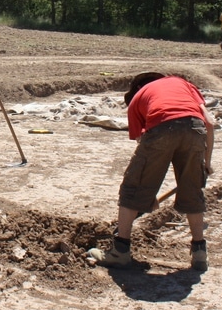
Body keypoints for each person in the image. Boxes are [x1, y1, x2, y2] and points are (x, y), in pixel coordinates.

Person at [91, 72, 214, 271]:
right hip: (195, 128)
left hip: (161, 129)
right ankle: (199, 254)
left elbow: (146, 152)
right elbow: (209, 122)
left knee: (133, 187)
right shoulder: (182, 84)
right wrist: (206, 163)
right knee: (192, 190)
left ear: (137, 89)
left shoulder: (137, 100)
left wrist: (145, 195)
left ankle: (120, 251)